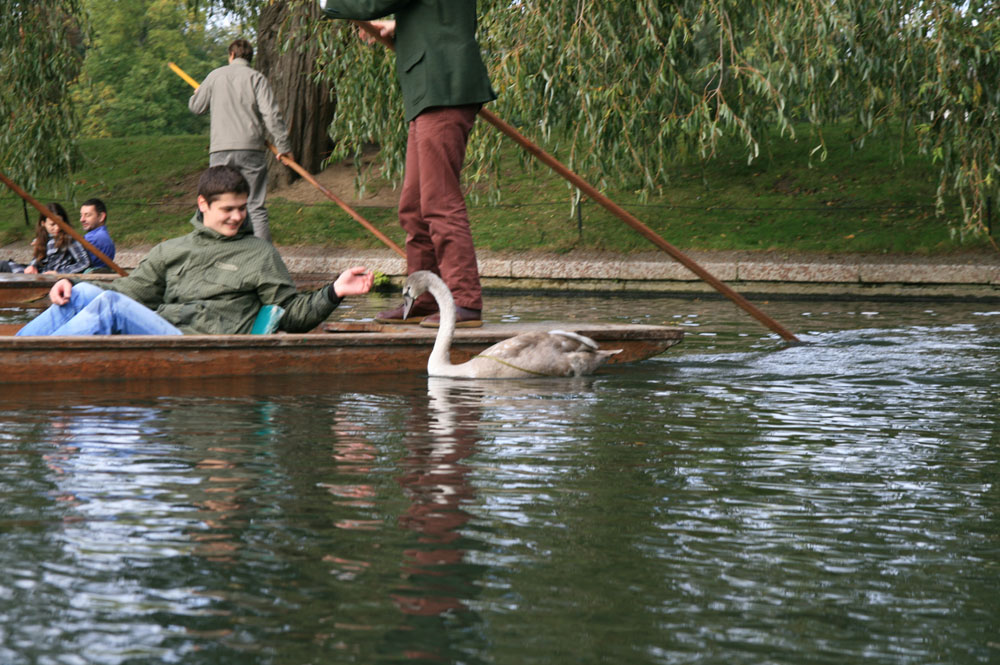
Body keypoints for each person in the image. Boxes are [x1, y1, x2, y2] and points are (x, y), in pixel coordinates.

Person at [17, 165, 373, 337]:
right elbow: (131, 292)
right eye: (227, 209)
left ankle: (33, 359)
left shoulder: (259, 254)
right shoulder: (172, 250)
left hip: (196, 342)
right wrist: (67, 281)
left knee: (107, 306)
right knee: (80, 291)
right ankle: (17, 351)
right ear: (203, 204)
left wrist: (334, 291)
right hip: (159, 326)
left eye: (242, 208)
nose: (237, 217)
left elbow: (291, 315)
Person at [319, 1, 497, 329]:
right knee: (413, 208)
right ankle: (424, 298)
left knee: (439, 203)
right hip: (430, 92)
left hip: (443, 87)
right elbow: (438, 14)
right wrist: (396, 27)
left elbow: (371, 2)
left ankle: (465, 301)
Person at [188, 38, 293, 243]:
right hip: (251, 149)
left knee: (215, 201)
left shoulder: (215, 76)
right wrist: (283, 147)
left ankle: (210, 250)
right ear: (250, 58)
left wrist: (198, 93)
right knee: (254, 204)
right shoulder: (257, 78)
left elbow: (196, 107)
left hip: (220, 150)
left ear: (231, 55)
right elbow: (271, 116)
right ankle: (264, 258)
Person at [0, 203, 90, 275]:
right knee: (3, 265)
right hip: (38, 274)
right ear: (43, 223)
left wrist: (59, 273)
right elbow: (37, 259)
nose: (57, 228)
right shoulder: (44, 238)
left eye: (60, 223)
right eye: (52, 224)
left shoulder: (69, 238)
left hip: (52, 280)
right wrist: (32, 266)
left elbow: (84, 262)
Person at [79, 197, 116, 272]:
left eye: (87, 215)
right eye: (81, 215)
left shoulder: (93, 238)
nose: (82, 219)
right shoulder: (105, 237)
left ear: (101, 217)